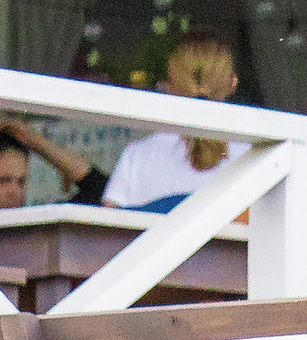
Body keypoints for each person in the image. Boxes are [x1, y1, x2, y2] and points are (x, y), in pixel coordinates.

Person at [105, 33, 250, 214]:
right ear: (233, 83)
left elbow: (109, 228)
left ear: (168, 86)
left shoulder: (137, 156)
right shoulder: (257, 154)